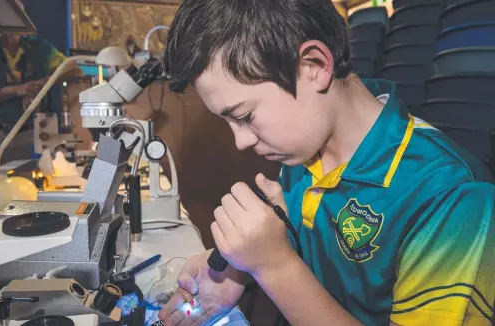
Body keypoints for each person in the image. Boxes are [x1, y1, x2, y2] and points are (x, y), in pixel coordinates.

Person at [158, 0, 495, 325]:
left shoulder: (452, 199)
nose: (241, 141)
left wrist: (272, 265)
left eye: (245, 116)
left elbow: (285, 267)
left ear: (314, 66)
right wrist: (238, 270)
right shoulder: (304, 150)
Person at [0, 30, 82, 176]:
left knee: (23, 188)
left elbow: (74, 69)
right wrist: (17, 90)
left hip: (25, 133)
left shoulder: (39, 47)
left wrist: (41, 84)